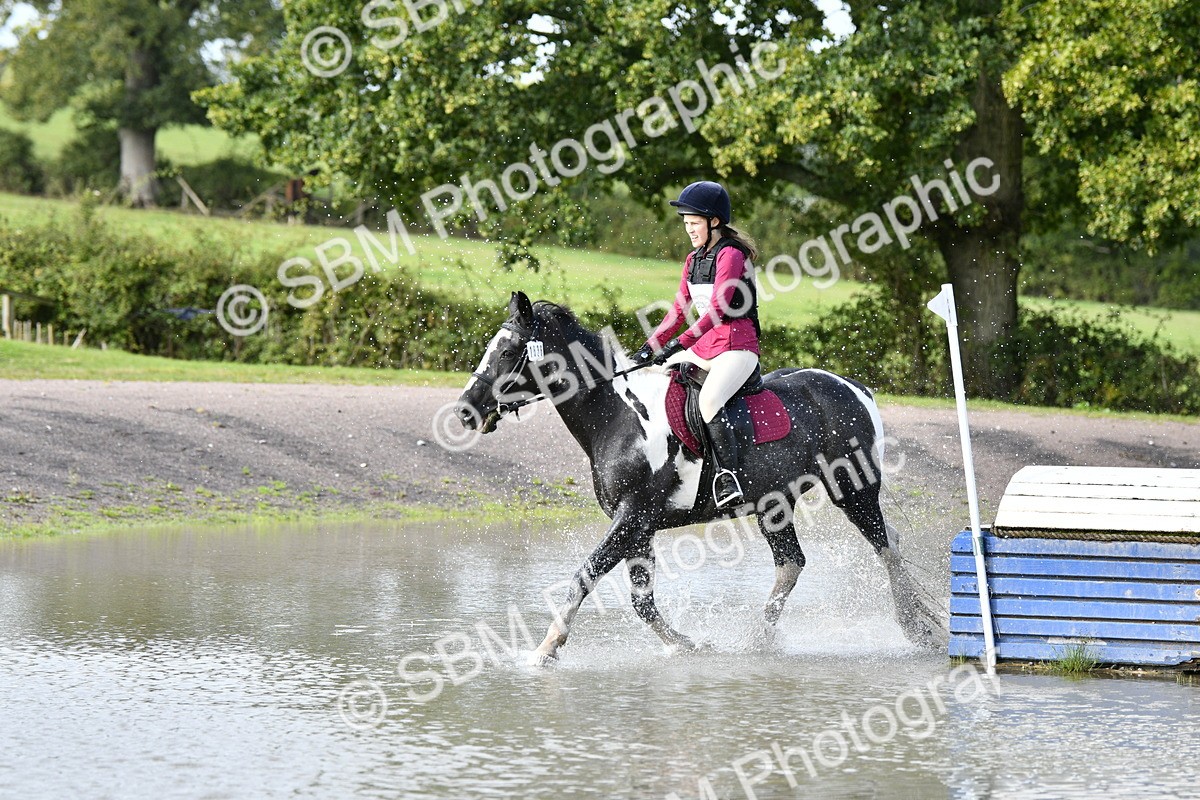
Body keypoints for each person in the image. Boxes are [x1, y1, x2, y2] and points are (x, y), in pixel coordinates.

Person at [633, 180, 761, 508]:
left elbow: (718, 309)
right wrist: (650, 347)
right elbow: (678, 311)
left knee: (709, 400)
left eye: (694, 223)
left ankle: (728, 477)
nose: (689, 229)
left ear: (714, 221)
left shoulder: (732, 254)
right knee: (659, 379)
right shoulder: (693, 260)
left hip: (737, 347)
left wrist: (680, 342)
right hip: (706, 347)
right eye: (686, 223)